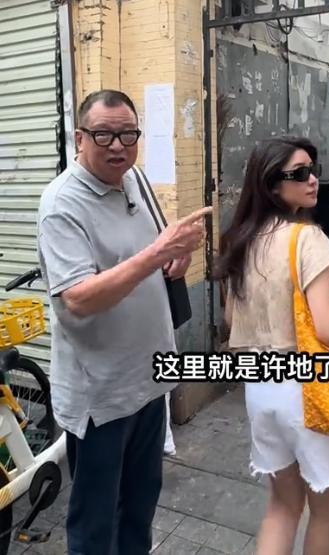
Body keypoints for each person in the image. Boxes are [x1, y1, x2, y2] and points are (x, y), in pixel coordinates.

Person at [37, 89, 211, 555]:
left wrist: (175, 258)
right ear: (79, 138)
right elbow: (77, 299)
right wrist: (156, 253)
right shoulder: (61, 205)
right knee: (95, 523)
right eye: (104, 135)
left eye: (128, 134)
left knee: (139, 508)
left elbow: (152, 253)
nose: (118, 146)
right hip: (102, 397)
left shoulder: (134, 179)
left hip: (150, 381)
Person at [215, 136, 329, 554]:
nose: (313, 180)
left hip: (260, 388)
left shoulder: (242, 239)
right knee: (325, 512)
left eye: (312, 170)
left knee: (282, 506)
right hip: (307, 392)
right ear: (271, 184)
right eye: (299, 174)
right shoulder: (307, 240)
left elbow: (232, 320)